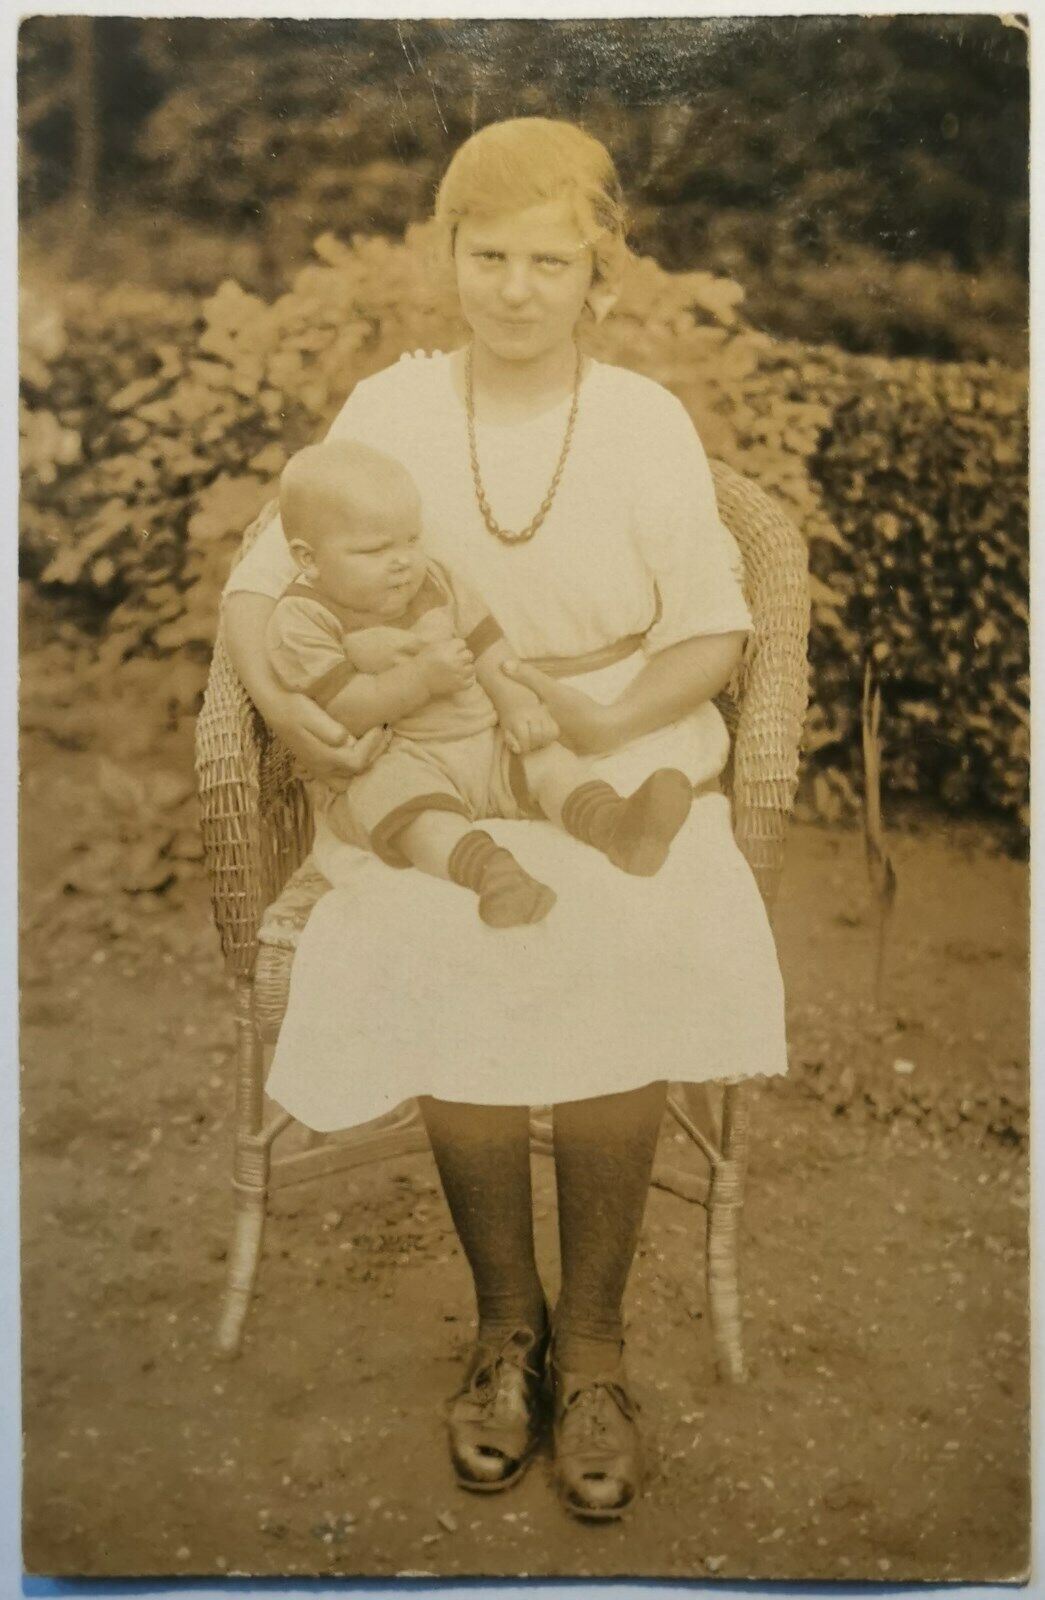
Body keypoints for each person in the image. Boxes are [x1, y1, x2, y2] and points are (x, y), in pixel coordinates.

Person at [221, 116, 787, 1521]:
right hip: (435, 751)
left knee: (630, 927)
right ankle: (506, 1329)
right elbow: (258, 576)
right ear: (448, 257)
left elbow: (718, 628)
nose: (518, 287)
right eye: (491, 256)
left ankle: (592, 1348)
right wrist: (295, 721)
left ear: (601, 276)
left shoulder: (645, 419)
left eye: (552, 260)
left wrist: (596, 721)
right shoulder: (395, 408)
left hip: (613, 742)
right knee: (434, 927)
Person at [267, 438, 697, 926]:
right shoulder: (301, 619)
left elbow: (491, 647)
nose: (404, 560)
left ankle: (617, 826)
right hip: (398, 758)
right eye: (375, 549)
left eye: (411, 539)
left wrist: (516, 705)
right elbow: (346, 708)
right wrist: (421, 679)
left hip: (485, 741)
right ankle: (496, 875)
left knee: (548, 759)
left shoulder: (436, 580)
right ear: (308, 558)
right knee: (411, 816)